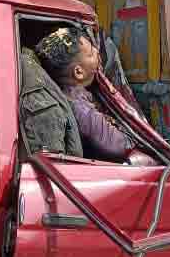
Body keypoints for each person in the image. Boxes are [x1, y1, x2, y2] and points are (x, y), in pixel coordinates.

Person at [35, 28, 142, 163]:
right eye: (91, 53)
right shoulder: (80, 108)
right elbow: (121, 146)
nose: (97, 52)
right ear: (79, 72)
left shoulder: (74, 94)